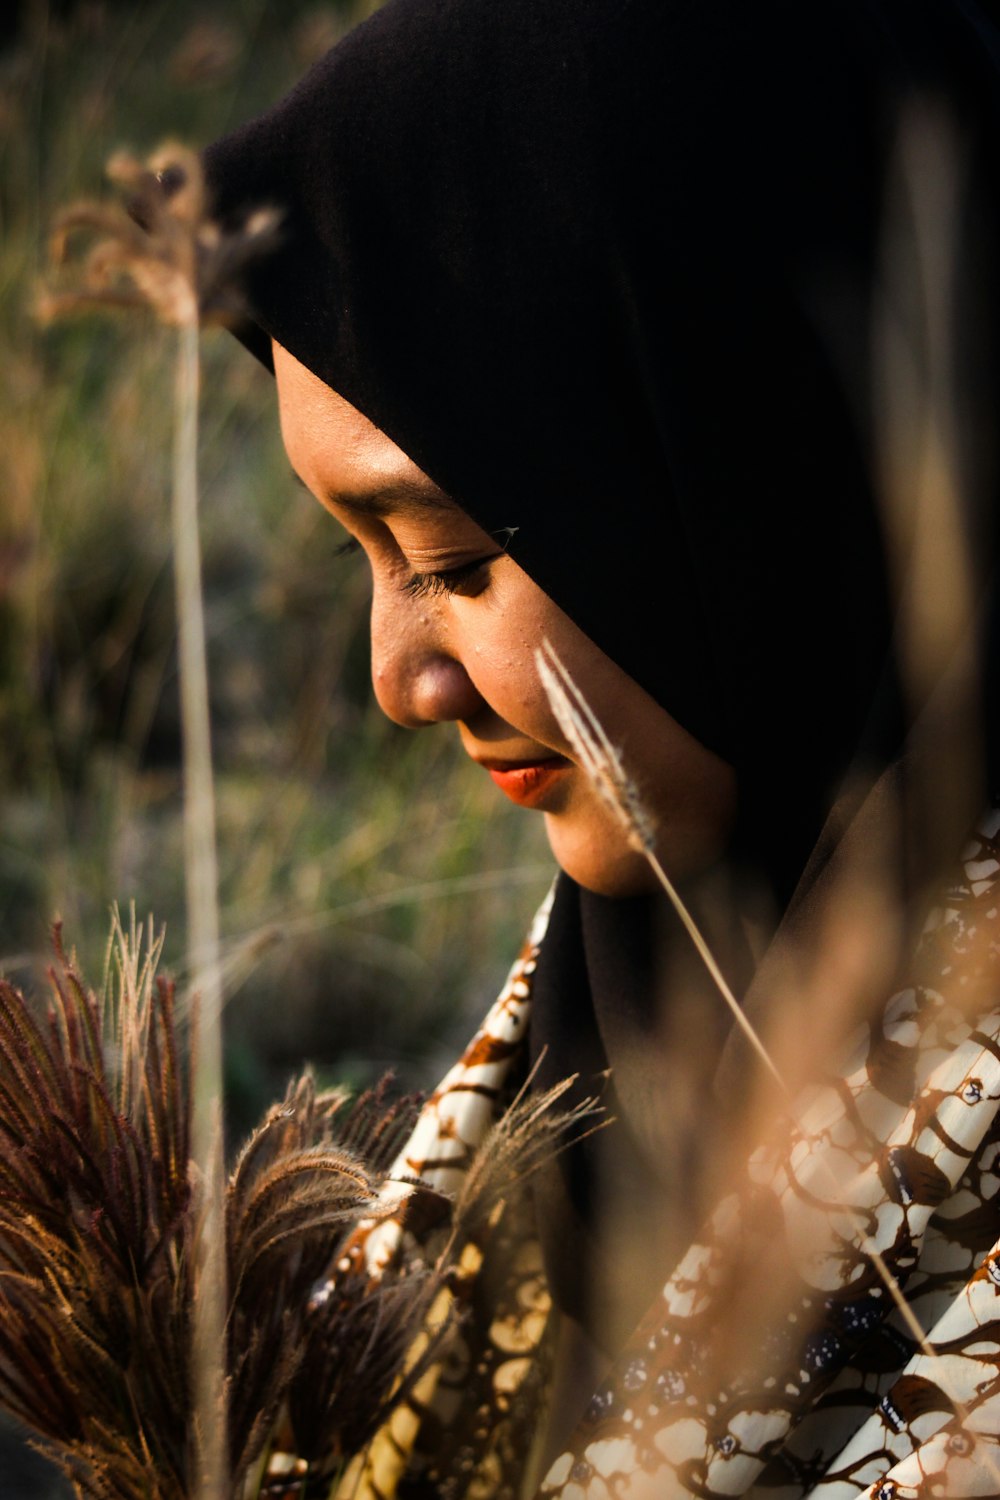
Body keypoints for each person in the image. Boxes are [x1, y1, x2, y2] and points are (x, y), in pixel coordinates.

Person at [202, 1, 1000, 1494]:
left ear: (756, 469)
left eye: (448, 558)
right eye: (353, 557)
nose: (400, 682)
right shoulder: (615, 1002)